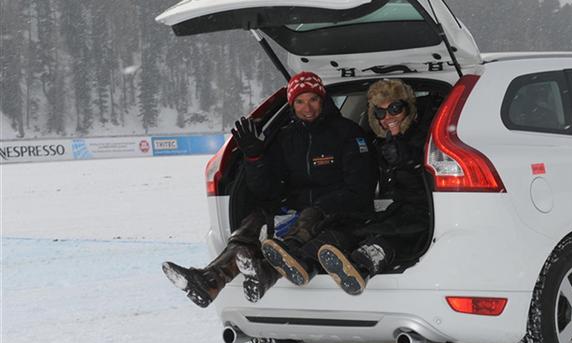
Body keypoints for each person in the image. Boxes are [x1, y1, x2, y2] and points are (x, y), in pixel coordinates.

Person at [162, 71, 376, 307]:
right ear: (292, 105)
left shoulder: (348, 133)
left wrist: (319, 207)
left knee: (308, 217)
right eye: (300, 101)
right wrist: (254, 158)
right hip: (298, 213)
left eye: (313, 99)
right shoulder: (285, 137)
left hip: (339, 214)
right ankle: (209, 281)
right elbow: (267, 190)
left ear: (323, 100)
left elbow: (360, 189)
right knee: (256, 221)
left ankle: (265, 272)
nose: (307, 108)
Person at [315, 79, 431, 295]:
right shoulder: (372, 142)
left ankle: (363, 264)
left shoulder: (428, 136)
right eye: (380, 112)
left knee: (399, 232)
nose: (388, 117)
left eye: (395, 108)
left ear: (408, 108)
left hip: (422, 211)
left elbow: (426, 181)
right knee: (355, 226)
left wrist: (408, 159)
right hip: (390, 208)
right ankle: (314, 258)